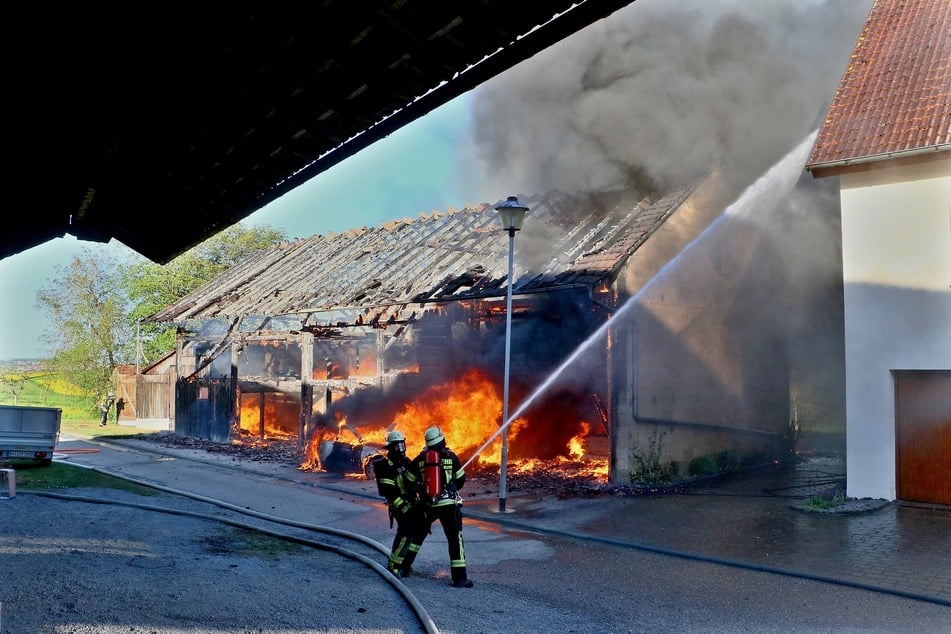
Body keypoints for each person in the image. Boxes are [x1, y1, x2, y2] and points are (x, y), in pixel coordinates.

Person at [412, 425, 473, 588]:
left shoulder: (420, 459)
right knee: (454, 539)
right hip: (448, 505)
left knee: (417, 535)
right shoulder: (451, 457)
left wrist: (421, 489)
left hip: (428, 505)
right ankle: (460, 579)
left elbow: (409, 479)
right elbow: (460, 481)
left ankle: (403, 567)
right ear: (441, 439)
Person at [372, 430, 428, 578]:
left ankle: (406, 563)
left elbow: (414, 481)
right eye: (397, 446)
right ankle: (394, 565)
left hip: (411, 502)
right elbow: (388, 491)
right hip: (398, 505)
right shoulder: (386, 466)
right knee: (407, 531)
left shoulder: (406, 461)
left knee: (421, 528)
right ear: (391, 448)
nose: (401, 449)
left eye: (402, 445)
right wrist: (403, 506)